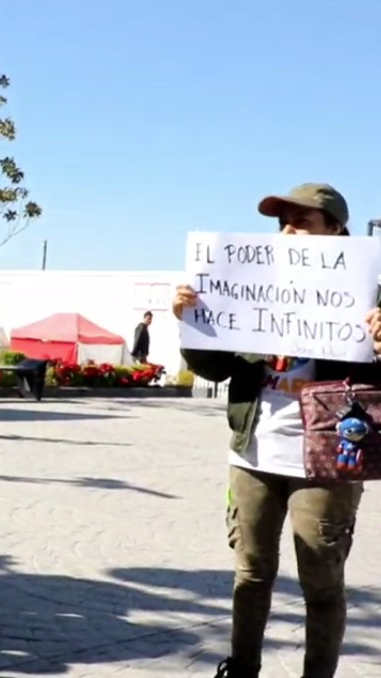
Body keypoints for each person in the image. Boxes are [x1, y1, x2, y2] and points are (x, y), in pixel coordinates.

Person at [174, 183, 381, 678]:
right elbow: (215, 368)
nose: (289, 229)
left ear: (336, 230)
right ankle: (242, 669)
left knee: (322, 584)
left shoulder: (368, 293)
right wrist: (192, 324)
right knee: (250, 575)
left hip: (328, 460)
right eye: (283, 221)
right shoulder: (247, 284)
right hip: (254, 453)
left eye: (302, 220)